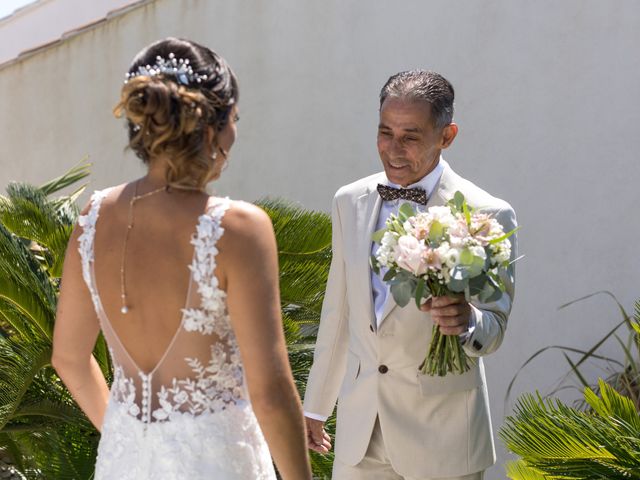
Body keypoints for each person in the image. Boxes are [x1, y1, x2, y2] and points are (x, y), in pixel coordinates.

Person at [52, 37, 312, 480]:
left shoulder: (91, 220)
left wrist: (126, 439)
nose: (235, 133)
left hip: (127, 465)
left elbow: (69, 358)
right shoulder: (239, 229)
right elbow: (269, 393)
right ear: (211, 127)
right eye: (235, 119)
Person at [303, 70, 517, 479]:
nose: (393, 149)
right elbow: (339, 313)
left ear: (447, 135)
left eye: (410, 137)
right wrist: (315, 406)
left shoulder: (487, 213)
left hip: (444, 439)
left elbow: (495, 325)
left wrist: (467, 320)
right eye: (385, 133)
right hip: (360, 436)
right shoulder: (349, 201)